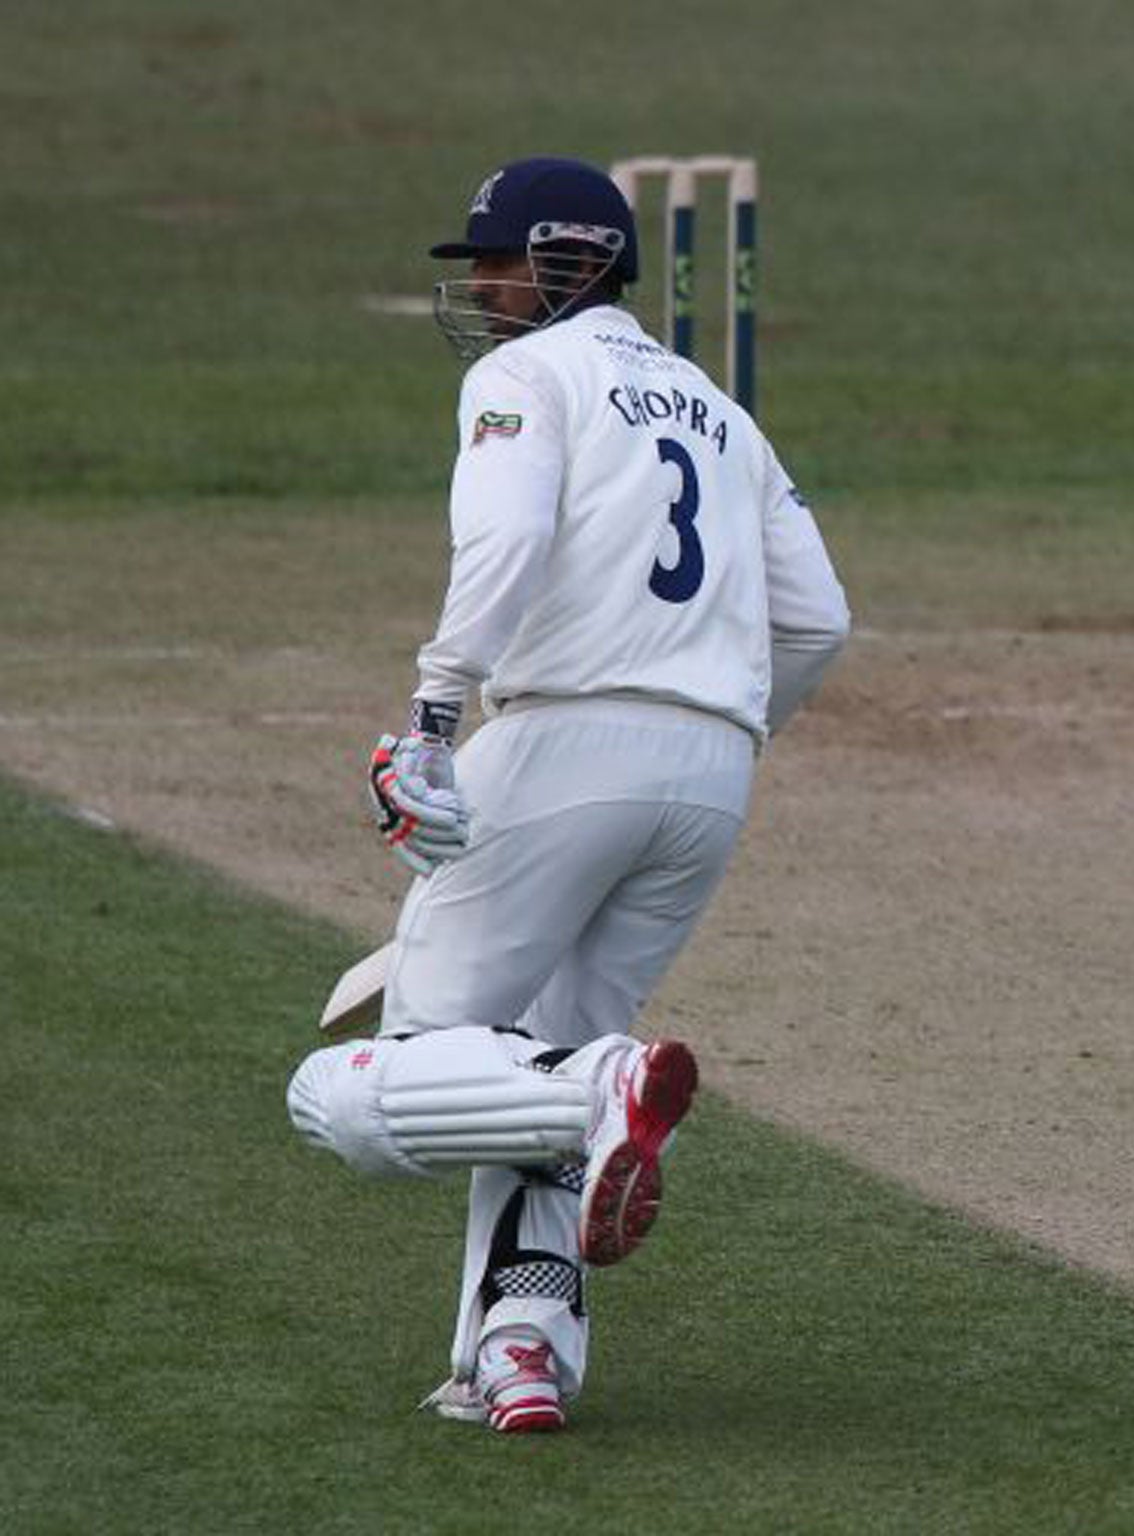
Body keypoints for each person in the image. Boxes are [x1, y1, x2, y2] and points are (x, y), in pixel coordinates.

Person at [286, 156, 851, 1429]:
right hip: (708, 779)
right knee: (539, 1049)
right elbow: (818, 620)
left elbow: (505, 538)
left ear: (568, 259)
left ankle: (598, 1095)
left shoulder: (522, 376)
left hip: (556, 750)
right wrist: (722, 723)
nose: (478, 288)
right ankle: (519, 1349)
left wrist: (433, 714)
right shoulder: (722, 406)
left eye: (495, 260)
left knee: (364, 1095)